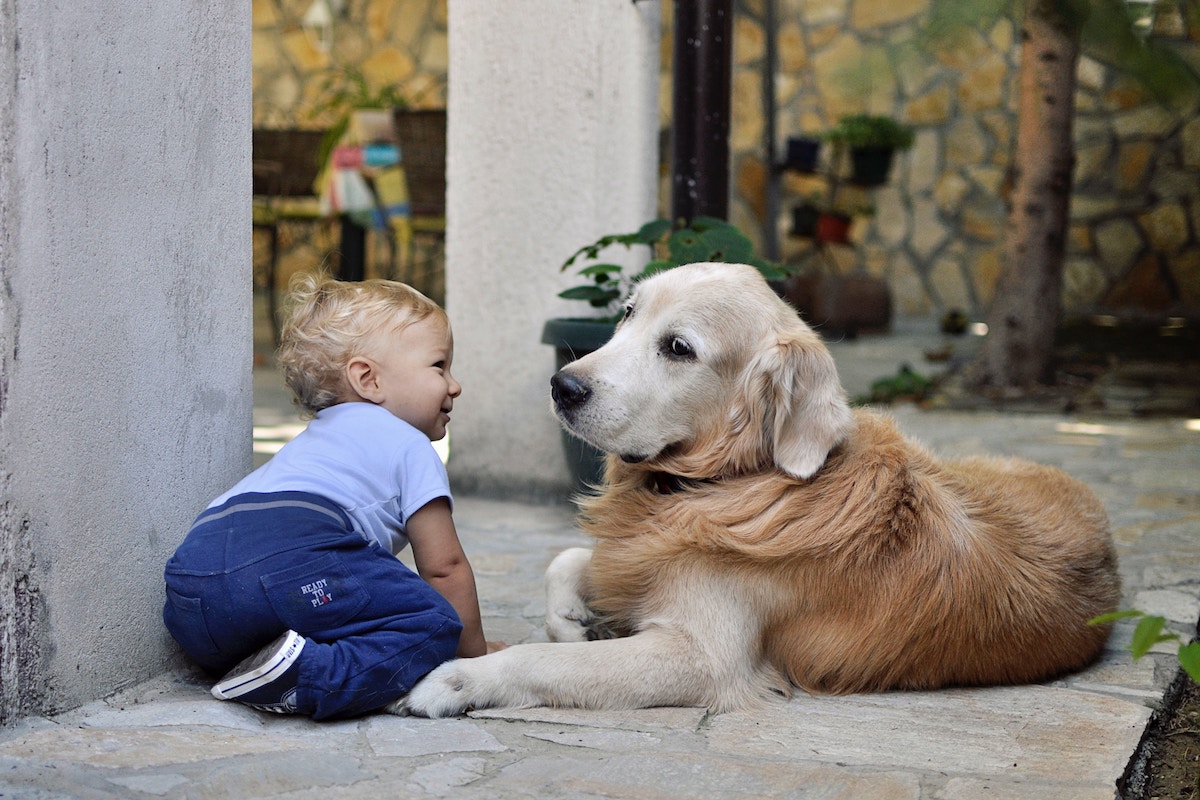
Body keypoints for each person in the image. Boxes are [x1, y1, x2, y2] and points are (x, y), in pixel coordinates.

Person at [163, 273, 500, 720]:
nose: (454, 385)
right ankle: (309, 678)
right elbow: (444, 567)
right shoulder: (409, 444)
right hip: (290, 556)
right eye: (439, 366)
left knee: (342, 599)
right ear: (368, 379)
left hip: (191, 588)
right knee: (434, 623)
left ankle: (268, 662)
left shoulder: (311, 443)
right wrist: (474, 654)